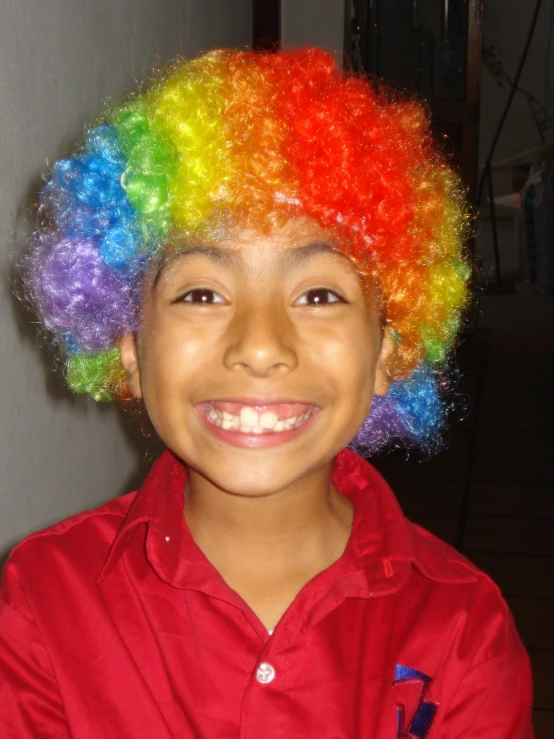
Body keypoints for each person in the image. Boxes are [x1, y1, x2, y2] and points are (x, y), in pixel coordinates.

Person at [0, 48, 533, 737]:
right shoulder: (45, 600)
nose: (259, 345)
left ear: (389, 351)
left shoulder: (465, 634)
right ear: (128, 348)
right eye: (201, 291)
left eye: (318, 293)